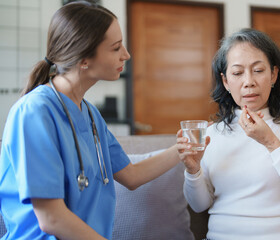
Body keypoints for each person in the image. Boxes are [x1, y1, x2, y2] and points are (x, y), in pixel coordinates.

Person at [0, 2, 182, 239]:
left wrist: (182, 149)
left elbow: (131, 175)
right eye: (116, 48)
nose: (126, 55)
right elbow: (51, 218)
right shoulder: (34, 112)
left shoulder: (90, 114)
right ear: (83, 58)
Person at [177, 28, 280, 240]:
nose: (249, 81)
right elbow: (199, 205)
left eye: (258, 70)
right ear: (226, 82)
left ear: (274, 74)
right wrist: (193, 171)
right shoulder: (212, 133)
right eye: (238, 73)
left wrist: (271, 143)